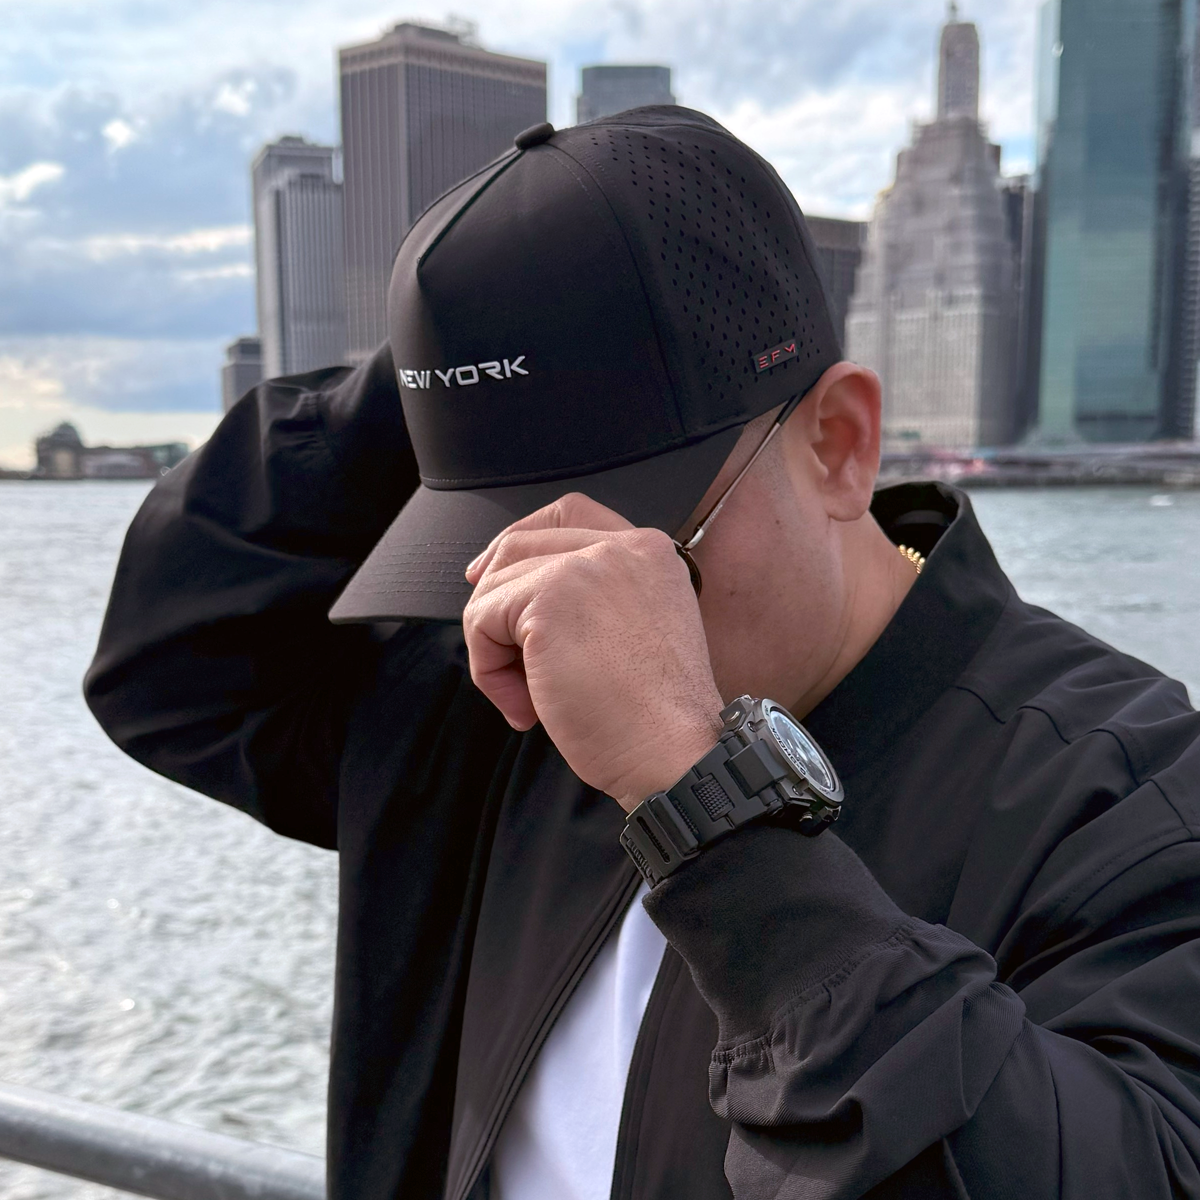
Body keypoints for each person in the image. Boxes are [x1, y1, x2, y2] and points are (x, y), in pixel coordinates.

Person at [85, 108, 1200, 1200]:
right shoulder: (503, 700)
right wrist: (464, 350)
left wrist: (707, 811)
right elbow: (172, 662)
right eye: (499, 548)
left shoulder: (1125, 791)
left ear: (840, 445)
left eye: (638, 554)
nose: (565, 616)